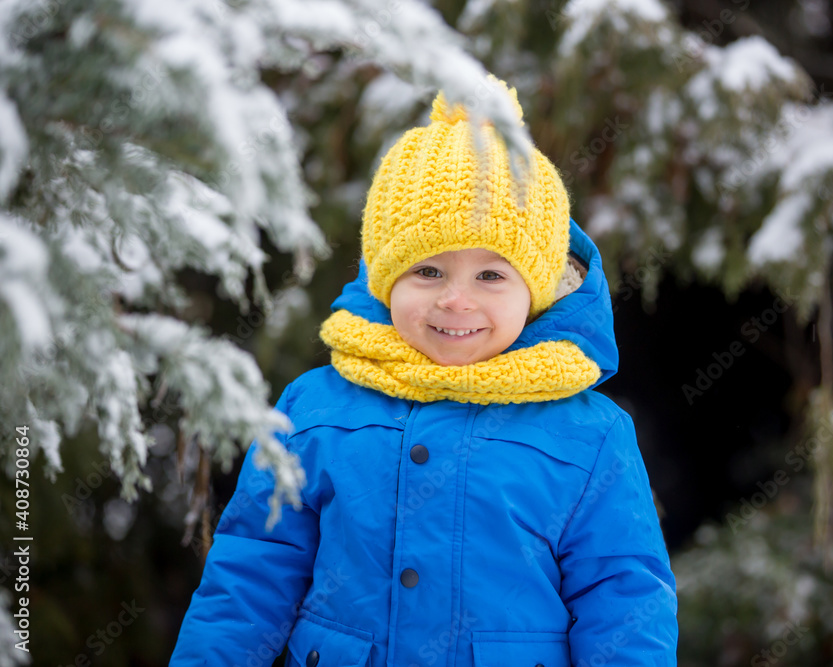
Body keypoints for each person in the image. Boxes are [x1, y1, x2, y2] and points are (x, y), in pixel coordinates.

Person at [170, 78, 678, 667]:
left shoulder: (590, 435)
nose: (456, 301)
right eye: (428, 271)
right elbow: (253, 572)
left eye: (492, 276)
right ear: (386, 279)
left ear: (535, 293)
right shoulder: (315, 409)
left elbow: (623, 597)